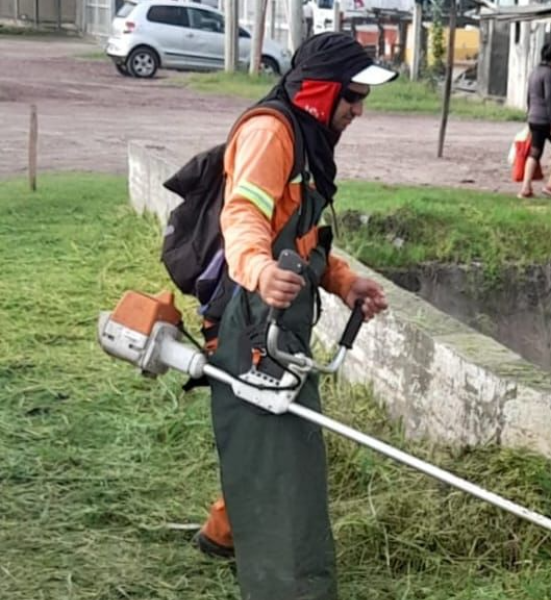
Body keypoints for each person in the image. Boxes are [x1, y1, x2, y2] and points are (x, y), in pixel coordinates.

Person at [192, 32, 397, 600]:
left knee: (268, 435)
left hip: (280, 312)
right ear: (319, 92)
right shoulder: (271, 133)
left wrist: (344, 282)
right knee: (283, 451)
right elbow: (243, 217)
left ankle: (223, 532)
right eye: (352, 97)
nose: (358, 110)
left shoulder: (310, 140)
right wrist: (258, 271)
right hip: (249, 313)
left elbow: (303, 240)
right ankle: (290, 587)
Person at [519, 42, 551, 199]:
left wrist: (529, 115)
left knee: (535, 152)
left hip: (533, 118)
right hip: (546, 120)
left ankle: (525, 188)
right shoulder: (549, 74)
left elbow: (529, 96)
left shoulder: (534, 72)